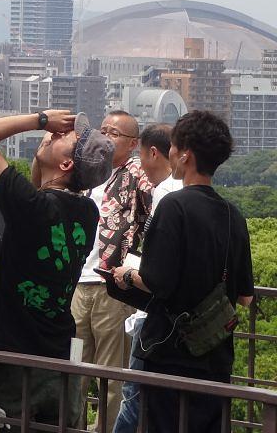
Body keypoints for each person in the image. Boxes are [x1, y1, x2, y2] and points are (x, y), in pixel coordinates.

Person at [0, 110, 113, 430]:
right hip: (57, 355)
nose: (56, 135)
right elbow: (42, 185)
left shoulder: (32, 208)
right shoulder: (86, 213)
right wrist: (47, 143)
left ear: (66, 165)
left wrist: (41, 120)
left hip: (10, 355)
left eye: (67, 138)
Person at [111, 111, 254, 433]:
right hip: (215, 354)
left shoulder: (173, 206)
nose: (170, 153)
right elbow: (244, 297)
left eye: (173, 147)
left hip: (169, 354)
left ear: (185, 154)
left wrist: (127, 276)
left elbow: (156, 281)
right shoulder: (233, 215)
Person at [71, 110, 155, 432]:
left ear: (133, 144)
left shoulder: (136, 174)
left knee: (110, 376)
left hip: (111, 287)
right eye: (103, 129)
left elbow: (155, 212)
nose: (106, 136)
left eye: (115, 133)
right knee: (74, 366)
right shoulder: (88, 174)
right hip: (79, 283)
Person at [113, 124, 180, 433]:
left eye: (141, 155)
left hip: (152, 317)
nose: (140, 165)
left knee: (133, 396)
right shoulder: (208, 202)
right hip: (179, 322)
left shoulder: (167, 195)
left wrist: (127, 273)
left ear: (154, 152)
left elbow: (156, 271)